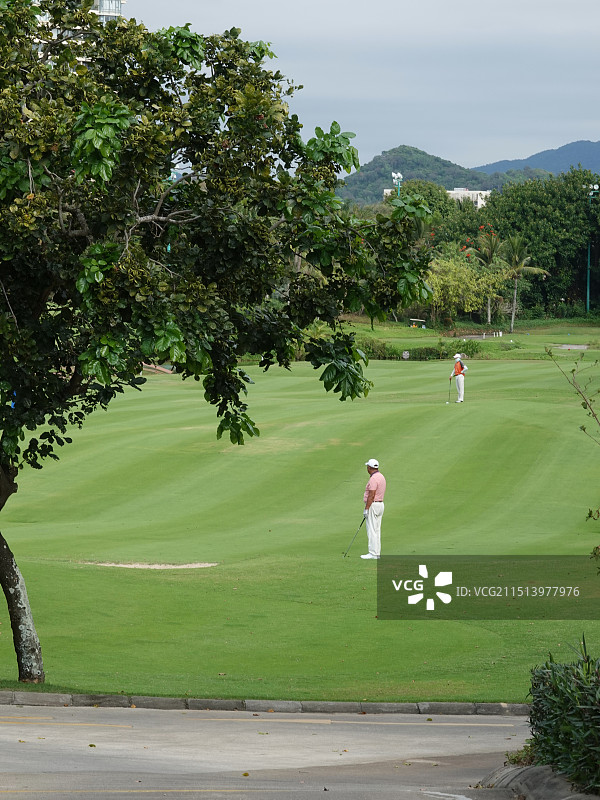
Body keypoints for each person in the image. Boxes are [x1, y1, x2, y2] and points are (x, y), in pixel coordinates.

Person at [361, 459, 386, 560]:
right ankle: (377, 553)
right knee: (376, 530)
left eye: (367, 467)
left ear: (370, 468)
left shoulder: (373, 479)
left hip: (373, 505)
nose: (367, 468)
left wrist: (366, 509)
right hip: (380, 505)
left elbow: (371, 495)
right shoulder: (381, 477)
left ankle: (372, 553)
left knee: (371, 530)